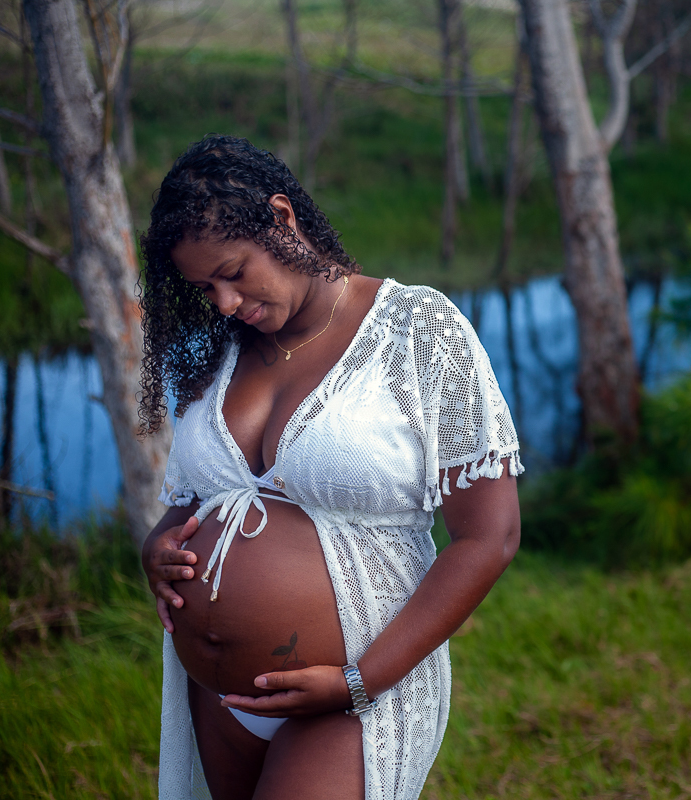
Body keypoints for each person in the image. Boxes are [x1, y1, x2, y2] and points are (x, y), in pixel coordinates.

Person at [138, 134, 523, 800]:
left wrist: (360, 681)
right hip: (220, 702)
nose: (224, 302)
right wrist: (158, 547)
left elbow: (490, 537)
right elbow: (197, 500)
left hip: (356, 696)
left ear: (281, 219)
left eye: (234, 271)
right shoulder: (223, 353)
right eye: (205, 288)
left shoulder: (416, 330)